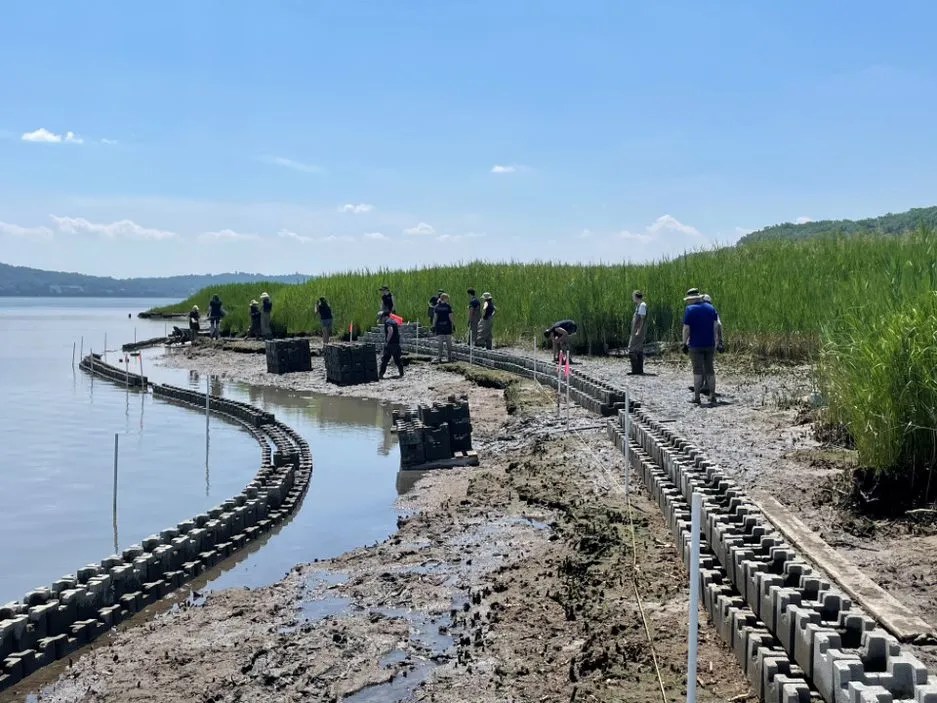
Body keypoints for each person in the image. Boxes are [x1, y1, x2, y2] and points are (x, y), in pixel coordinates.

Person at [682, 288, 724, 406]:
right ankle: (712, 396)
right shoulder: (711, 308)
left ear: (692, 299)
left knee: (697, 371)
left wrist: (684, 343)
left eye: (689, 300)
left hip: (695, 345)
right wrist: (717, 341)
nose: (688, 302)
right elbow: (716, 326)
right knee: (710, 370)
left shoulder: (690, 309)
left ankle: (697, 397)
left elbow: (686, 329)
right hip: (710, 344)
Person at [378, 311, 404, 378]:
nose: (381, 320)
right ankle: (401, 373)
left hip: (390, 344)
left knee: (385, 359)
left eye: (381, 318)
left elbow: (390, 330)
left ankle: (381, 374)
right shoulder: (393, 321)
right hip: (396, 344)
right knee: (397, 359)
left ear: (384, 317)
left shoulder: (387, 322)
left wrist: (387, 340)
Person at [627, 290, 648, 375]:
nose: (632, 298)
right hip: (636, 330)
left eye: (633, 297)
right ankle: (639, 370)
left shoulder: (642, 305)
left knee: (632, 348)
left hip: (638, 331)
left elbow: (642, 319)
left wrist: (638, 331)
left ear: (636, 297)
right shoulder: (639, 305)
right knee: (638, 349)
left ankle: (635, 370)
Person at [432, 293, 455, 362]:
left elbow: (435, 318)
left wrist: (433, 326)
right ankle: (449, 357)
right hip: (447, 325)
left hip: (439, 325)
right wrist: (453, 325)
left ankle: (439, 357)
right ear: (444, 298)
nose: (448, 300)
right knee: (449, 341)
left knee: (440, 342)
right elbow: (450, 317)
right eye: (447, 298)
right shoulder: (448, 307)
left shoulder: (436, 307)